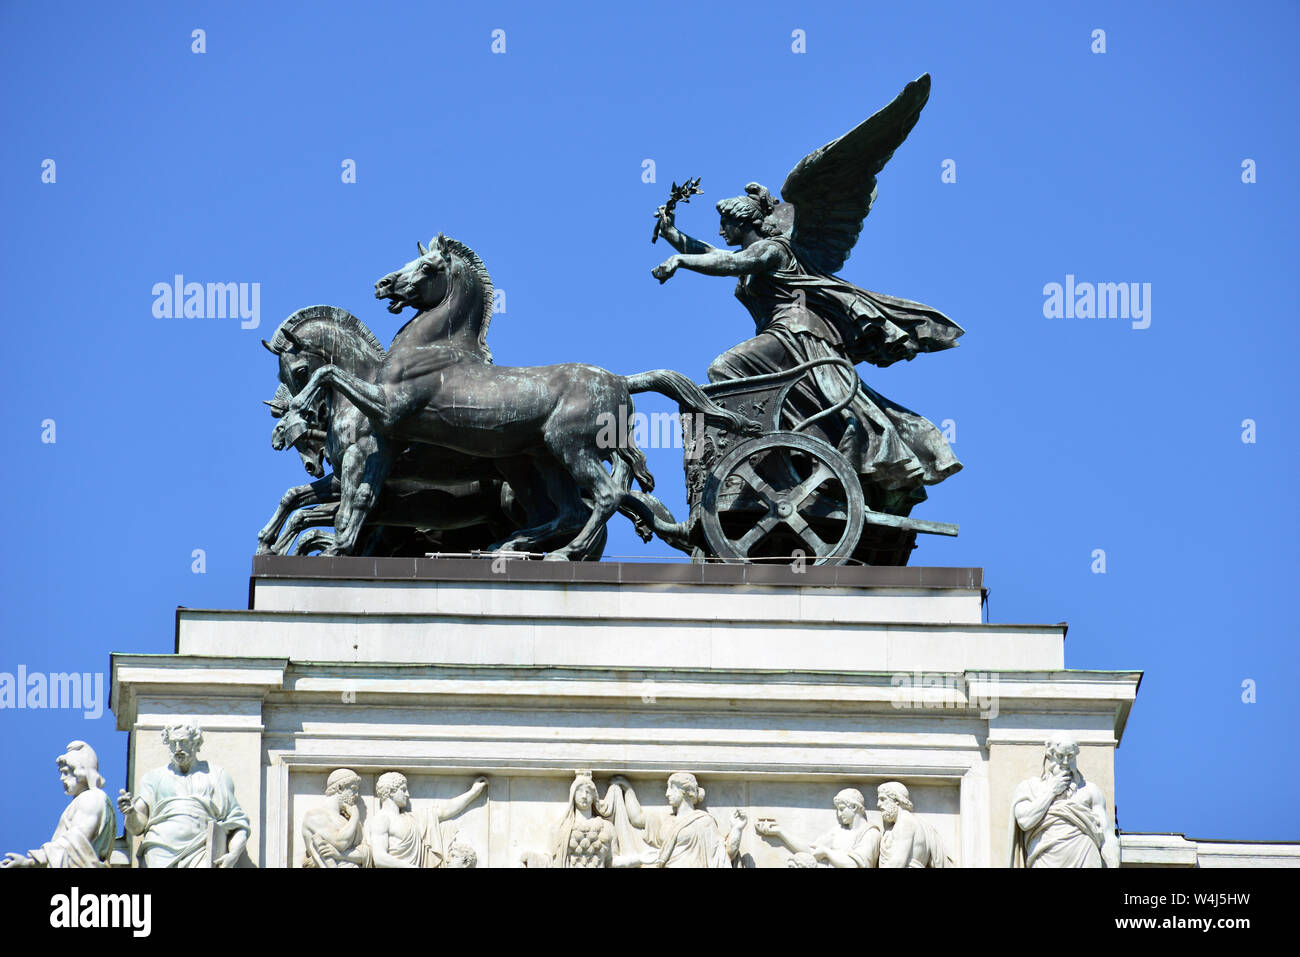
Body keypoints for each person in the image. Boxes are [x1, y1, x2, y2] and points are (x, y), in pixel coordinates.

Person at [652, 184, 962, 516]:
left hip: (795, 332)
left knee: (724, 368)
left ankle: (764, 440)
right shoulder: (752, 256)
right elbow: (715, 254)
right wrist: (673, 234)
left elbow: (727, 262)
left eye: (725, 223)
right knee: (744, 377)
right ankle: (792, 441)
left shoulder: (772, 250)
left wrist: (679, 260)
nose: (720, 230)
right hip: (783, 335)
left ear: (742, 223)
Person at [118, 722, 250, 868]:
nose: (178, 749)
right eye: (173, 743)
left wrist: (234, 853)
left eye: (183, 742)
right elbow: (137, 827)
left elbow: (238, 822)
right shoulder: (153, 778)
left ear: (196, 743)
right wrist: (130, 813)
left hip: (202, 848)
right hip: (160, 850)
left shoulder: (216, 775)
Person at [1009, 733, 1119, 868]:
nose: (1066, 762)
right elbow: (1025, 821)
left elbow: (1107, 834)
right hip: (1045, 857)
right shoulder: (1031, 787)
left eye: (1070, 757)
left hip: (1085, 854)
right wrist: (1052, 791)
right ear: (1049, 756)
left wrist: (1113, 860)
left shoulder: (1090, 790)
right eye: (1060, 756)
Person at [2, 741, 116, 868]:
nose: (62, 778)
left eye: (66, 772)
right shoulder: (81, 800)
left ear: (80, 772)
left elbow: (77, 840)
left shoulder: (92, 797)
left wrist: (31, 861)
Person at [615, 772, 745, 868]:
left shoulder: (704, 822)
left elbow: (724, 854)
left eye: (671, 788)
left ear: (685, 791)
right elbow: (637, 818)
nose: (667, 793)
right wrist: (628, 790)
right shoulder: (665, 820)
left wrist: (737, 828)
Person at [368, 771, 488, 868]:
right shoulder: (382, 819)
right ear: (390, 791)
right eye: (403, 789)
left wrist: (473, 793)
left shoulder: (413, 819)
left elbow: (444, 810)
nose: (407, 794)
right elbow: (379, 858)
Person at [755, 787, 881, 867]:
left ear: (854, 807)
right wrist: (780, 832)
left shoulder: (870, 834)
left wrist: (827, 852)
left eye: (842, 809)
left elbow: (855, 865)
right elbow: (811, 850)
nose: (839, 814)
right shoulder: (838, 831)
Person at [547, 770, 647, 868]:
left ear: (595, 796)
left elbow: (613, 861)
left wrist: (638, 859)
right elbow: (550, 861)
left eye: (588, 792)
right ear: (573, 795)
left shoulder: (607, 828)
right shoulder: (560, 828)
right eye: (579, 792)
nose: (584, 796)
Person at [302, 768, 370, 868]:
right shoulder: (315, 816)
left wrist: (341, 856)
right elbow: (340, 843)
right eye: (354, 789)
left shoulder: (350, 821)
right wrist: (355, 816)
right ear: (340, 788)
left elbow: (365, 853)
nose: (356, 795)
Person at [876, 782, 946, 868]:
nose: (878, 804)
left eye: (883, 799)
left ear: (897, 800)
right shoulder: (912, 820)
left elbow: (897, 863)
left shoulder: (905, 821)